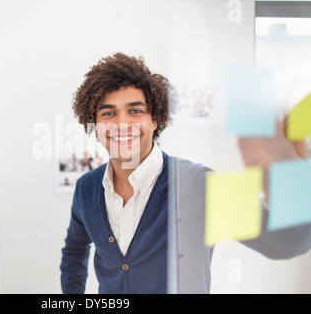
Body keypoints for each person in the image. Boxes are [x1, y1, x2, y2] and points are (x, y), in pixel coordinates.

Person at [60, 52, 311, 294]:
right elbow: (74, 251)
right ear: (95, 124)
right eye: (108, 113)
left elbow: (289, 240)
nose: (122, 123)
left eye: (135, 111)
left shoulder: (197, 185)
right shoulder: (87, 188)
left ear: (155, 119)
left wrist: (287, 167)